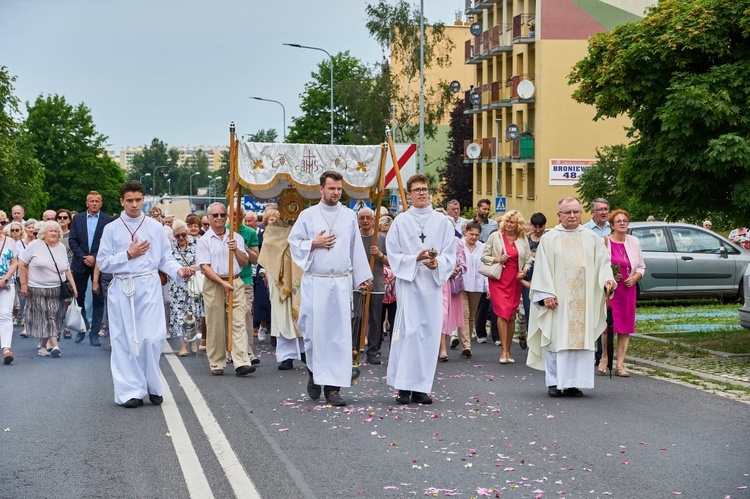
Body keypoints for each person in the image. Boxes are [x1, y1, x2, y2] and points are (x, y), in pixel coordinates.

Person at [97, 180, 195, 408]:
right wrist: (127, 255)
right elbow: (103, 263)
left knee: (152, 338)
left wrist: (178, 270)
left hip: (149, 286)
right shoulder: (111, 229)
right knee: (124, 341)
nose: (134, 204)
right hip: (122, 288)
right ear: (122, 201)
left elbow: (165, 258)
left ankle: (153, 385)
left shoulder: (155, 227)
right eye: (129, 200)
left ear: (143, 199)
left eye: (138, 200)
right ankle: (131, 391)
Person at [289, 171, 372, 407]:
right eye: (331, 188)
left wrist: (362, 277)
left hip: (340, 283)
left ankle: (333, 389)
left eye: (338, 189)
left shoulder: (348, 216)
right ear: (321, 189)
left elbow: (355, 248)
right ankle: (315, 373)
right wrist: (312, 244)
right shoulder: (308, 216)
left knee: (338, 336)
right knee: (314, 334)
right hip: (316, 282)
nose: (336, 193)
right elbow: (294, 243)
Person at [527, 197, 616, 397]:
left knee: (580, 342)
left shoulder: (591, 238)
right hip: (557, 301)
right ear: (559, 215)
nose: (572, 216)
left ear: (581, 213)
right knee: (556, 340)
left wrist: (607, 281)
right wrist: (545, 294)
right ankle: (554, 382)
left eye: (576, 211)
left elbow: (603, 264)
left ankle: (574, 383)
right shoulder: (550, 239)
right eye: (567, 212)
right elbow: (541, 268)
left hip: (584, 301)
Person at [385, 174, 456, 405]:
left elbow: (449, 254)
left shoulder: (443, 222)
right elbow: (393, 254)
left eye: (425, 189)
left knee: (429, 335)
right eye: (416, 190)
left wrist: (439, 264)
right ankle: (403, 387)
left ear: (430, 192)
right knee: (409, 333)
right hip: (410, 285)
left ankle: (421, 388)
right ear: (409, 194)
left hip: (433, 287)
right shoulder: (401, 222)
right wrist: (415, 258)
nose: (422, 193)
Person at [196, 202, 256, 377]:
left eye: (222, 215)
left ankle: (241, 361)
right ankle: (217, 362)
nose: (220, 218)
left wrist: (235, 249)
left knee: (238, 322)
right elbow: (204, 267)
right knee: (215, 324)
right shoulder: (204, 240)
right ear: (209, 218)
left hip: (235, 281)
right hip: (215, 283)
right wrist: (222, 284)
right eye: (215, 215)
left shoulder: (236, 237)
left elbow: (245, 262)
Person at [18, 221, 78, 359]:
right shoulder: (35, 245)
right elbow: (22, 264)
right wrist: (24, 285)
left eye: (56, 231)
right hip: (37, 288)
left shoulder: (61, 247)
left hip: (56, 289)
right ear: (44, 233)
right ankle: (55, 346)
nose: (53, 233)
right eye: (50, 231)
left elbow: (66, 269)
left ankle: (42, 345)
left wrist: (74, 287)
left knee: (54, 317)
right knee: (47, 317)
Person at [481, 210, 532, 364]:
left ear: (518, 225)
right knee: (502, 313)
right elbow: (484, 256)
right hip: (498, 279)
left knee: (511, 315)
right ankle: (503, 351)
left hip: (515, 280)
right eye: (507, 221)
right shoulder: (495, 236)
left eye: (512, 222)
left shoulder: (523, 239)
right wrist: (497, 258)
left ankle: (508, 350)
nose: (509, 224)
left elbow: (528, 259)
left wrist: (525, 271)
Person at [599, 209, 645, 377]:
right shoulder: (604, 241)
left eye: (625, 221)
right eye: (619, 221)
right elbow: (600, 265)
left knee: (625, 327)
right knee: (608, 325)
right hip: (611, 290)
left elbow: (641, 266)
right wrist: (611, 276)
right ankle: (604, 357)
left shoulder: (634, 241)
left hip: (628, 289)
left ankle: (620, 365)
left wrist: (635, 277)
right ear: (611, 225)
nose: (623, 223)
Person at [257, 210, 304, 370]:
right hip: (279, 279)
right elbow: (268, 251)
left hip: (300, 277)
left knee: (302, 314)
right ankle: (286, 356)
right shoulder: (273, 229)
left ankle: (305, 351)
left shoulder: (305, 226)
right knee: (282, 317)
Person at [68, 191, 112, 346]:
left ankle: (94, 334)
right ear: (87, 203)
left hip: (99, 263)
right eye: (91, 201)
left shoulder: (107, 220)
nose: (94, 203)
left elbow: (107, 242)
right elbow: (72, 240)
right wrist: (83, 257)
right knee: (78, 297)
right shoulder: (78, 218)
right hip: (80, 263)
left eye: (97, 201)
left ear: (101, 203)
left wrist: (94, 256)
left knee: (98, 299)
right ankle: (82, 327)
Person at [352, 208, 387, 366]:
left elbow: (392, 261)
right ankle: (354, 349)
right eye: (362, 218)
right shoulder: (354, 239)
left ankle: (373, 351)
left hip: (376, 284)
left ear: (374, 220)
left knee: (374, 319)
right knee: (357, 318)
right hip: (357, 285)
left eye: (368, 218)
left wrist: (379, 254)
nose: (365, 221)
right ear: (358, 221)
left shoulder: (381, 238)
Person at [168, 220, 204, 357]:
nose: (181, 238)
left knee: (193, 314)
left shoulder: (197, 243)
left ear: (187, 232)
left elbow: (203, 261)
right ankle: (183, 345)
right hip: (177, 286)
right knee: (178, 316)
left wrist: (192, 268)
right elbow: (167, 262)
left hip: (193, 285)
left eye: (183, 234)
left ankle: (192, 340)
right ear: (173, 236)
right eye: (178, 236)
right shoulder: (170, 246)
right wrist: (179, 270)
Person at [234, 208, 260, 364]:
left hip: (245, 280)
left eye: (239, 214)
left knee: (245, 314)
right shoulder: (224, 231)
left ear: (243, 216)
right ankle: (230, 350)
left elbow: (256, 259)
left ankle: (248, 351)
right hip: (227, 280)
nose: (236, 217)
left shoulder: (250, 233)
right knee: (228, 317)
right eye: (233, 214)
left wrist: (244, 248)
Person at [458, 222, 487, 358]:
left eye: (476, 235)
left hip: (477, 284)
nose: (474, 237)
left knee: (471, 316)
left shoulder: (483, 247)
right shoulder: (458, 244)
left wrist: (487, 287)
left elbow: (486, 266)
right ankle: (467, 345)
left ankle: (467, 341)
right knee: (464, 313)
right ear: (465, 232)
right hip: (462, 283)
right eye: (471, 234)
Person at [520, 213, 546, 350]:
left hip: (542, 274)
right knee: (528, 308)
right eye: (535, 227)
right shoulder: (525, 239)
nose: (537, 230)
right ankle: (528, 336)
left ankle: (540, 338)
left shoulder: (547, 239)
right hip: (527, 274)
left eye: (540, 227)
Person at [439, 234, 466, 361]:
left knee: (443, 314)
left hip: (447, 283)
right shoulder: (431, 237)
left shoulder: (456, 241)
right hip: (431, 280)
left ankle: (442, 346)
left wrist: (456, 269)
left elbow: (462, 262)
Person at [15, 219, 37, 338]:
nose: (31, 230)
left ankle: (31, 325)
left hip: (36, 276)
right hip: (22, 276)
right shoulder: (19, 244)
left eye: (33, 227)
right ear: (25, 229)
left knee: (33, 301)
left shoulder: (39, 242)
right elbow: (17, 260)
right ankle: (25, 325)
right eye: (29, 227)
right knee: (23, 300)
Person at [0, 225, 19, 364]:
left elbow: (14, 262)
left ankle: (6, 348)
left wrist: (5, 279)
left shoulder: (10, 242)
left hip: (6, 283)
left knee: (6, 314)